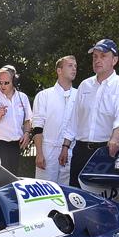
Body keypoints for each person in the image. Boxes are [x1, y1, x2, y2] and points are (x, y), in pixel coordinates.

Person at [61, 39, 119, 187]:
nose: (98, 60)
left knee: (103, 199)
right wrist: (65, 146)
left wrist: (115, 137)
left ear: (114, 60)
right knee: (76, 196)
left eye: (103, 56)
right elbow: (75, 119)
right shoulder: (85, 85)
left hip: (105, 151)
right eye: (95, 57)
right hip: (80, 151)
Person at [0, 65, 33, 175]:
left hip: (15, 147)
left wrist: (27, 133)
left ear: (14, 81)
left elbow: (28, 120)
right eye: (0, 82)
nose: (2, 86)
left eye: (6, 83)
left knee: (13, 178)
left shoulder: (22, 97)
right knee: (0, 179)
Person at [32, 55, 77, 184]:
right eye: (70, 65)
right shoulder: (44, 96)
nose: (74, 69)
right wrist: (39, 153)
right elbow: (37, 126)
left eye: (75, 66)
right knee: (44, 192)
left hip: (71, 151)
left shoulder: (80, 95)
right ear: (59, 70)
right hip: (47, 152)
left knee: (67, 194)